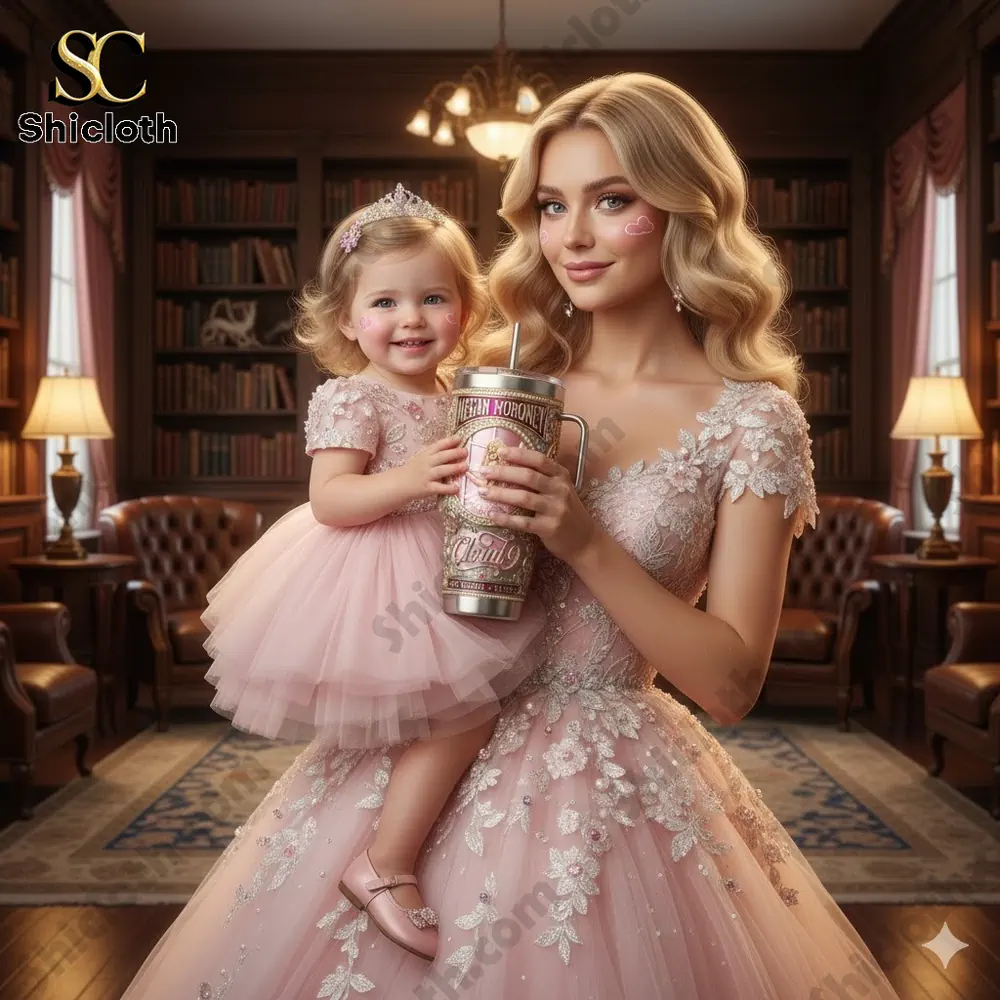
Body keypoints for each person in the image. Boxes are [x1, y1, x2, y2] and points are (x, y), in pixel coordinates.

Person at [120, 75, 903, 999]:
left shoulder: (751, 421)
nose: (570, 237)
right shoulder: (490, 381)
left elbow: (731, 685)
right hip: (421, 752)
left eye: (612, 201)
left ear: (686, 208)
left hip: (608, 786)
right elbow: (362, 507)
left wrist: (583, 536)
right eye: (550, 205)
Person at [193, 184, 546, 962]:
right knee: (464, 711)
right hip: (378, 574)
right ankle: (383, 862)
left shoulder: (464, 391)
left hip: (451, 558)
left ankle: (402, 843)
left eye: (433, 298)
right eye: (385, 302)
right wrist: (411, 479)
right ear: (348, 320)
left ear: (465, 310)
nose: (411, 319)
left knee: (459, 712)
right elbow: (331, 499)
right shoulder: (353, 396)